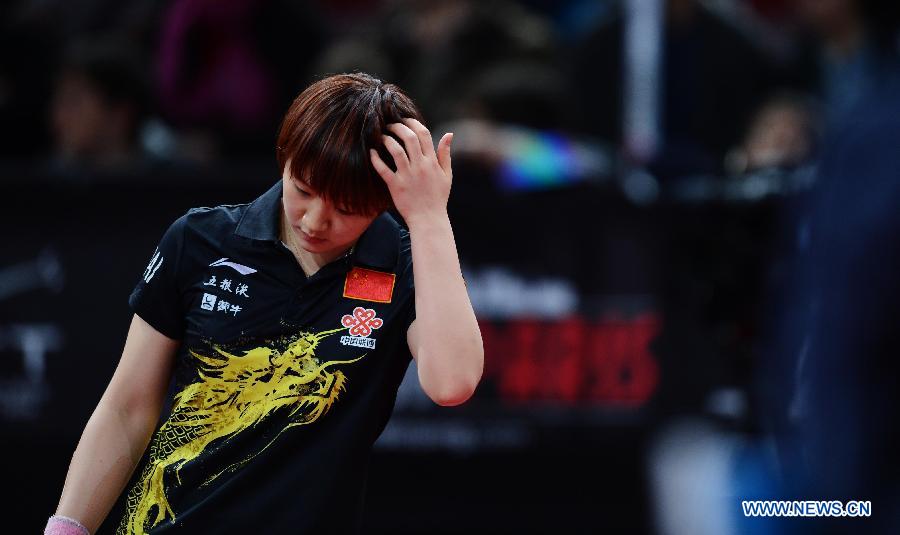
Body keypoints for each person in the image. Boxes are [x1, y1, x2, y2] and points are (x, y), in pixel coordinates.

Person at [45, 72, 484, 534]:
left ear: (384, 199)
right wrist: (68, 528)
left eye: (347, 208)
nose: (315, 221)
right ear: (285, 158)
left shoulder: (405, 265)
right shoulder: (199, 240)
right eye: (304, 190)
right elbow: (127, 406)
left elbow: (451, 383)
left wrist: (430, 216)